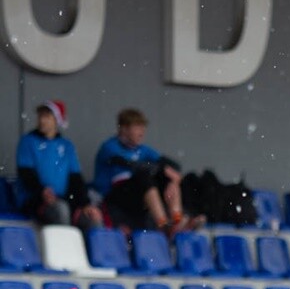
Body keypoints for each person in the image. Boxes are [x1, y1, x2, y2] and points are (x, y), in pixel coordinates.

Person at [93, 108, 204, 236]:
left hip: (137, 195)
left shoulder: (142, 150)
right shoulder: (110, 146)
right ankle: (163, 224)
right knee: (145, 177)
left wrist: (173, 180)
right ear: (123, 129)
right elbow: (132, 165)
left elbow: (173, 165)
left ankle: (177, 220)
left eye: (143, 127)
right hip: (113, 196)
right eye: (137, 127)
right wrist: (162, 169)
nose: (142, 132)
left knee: (168, 178)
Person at [15, 100, 103, 229]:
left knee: (92, 218)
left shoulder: (67, 145)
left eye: (47, 116)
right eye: (40, 116)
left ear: (57, 120)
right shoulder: (28, 141)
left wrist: (86, 204)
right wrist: (42, 192)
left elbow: (76, 178)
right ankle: (65, 249)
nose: (42, 120)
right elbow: (26, 173)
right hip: (36, 200)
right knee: (61, 210)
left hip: (64, 201)